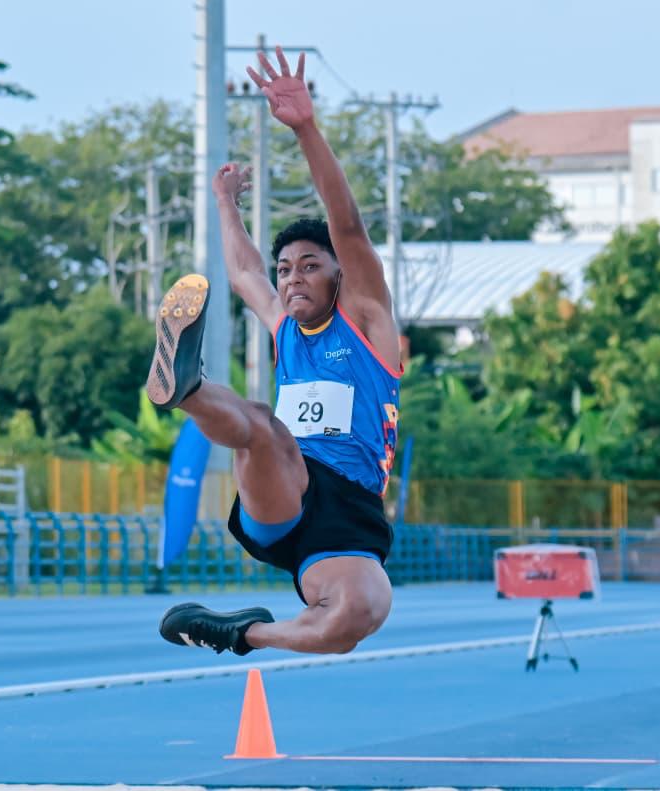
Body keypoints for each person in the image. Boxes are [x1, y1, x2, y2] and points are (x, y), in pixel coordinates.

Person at [145, 46, 401, 656]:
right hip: (283, 486)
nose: (291, 279)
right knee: (263, 427)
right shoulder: (285, 329)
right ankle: (186, 388)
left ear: (341, 276)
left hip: (347, 509)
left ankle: (240, 633)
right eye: (285, 269)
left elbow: (347, 226)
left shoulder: (368, 321)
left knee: (356, 617)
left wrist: (305, 128)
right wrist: (224, 203)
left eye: (309, 266)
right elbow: (243, 275)